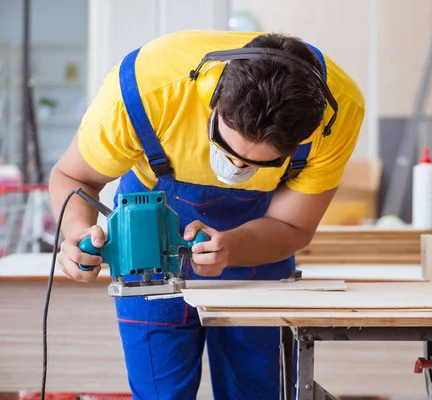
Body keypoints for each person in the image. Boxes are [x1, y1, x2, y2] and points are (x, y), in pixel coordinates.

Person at [48, 30, 365, 400]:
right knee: (159, 393)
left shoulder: (337, 114)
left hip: (256, 250)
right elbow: (73, 176)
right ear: (214, 98)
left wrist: (232, 246)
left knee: (257, 391)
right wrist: (75, 233)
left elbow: (292, 225)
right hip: (145, 258)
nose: (233, 167)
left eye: (255, 162)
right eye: (226, 146)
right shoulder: (146, 91)